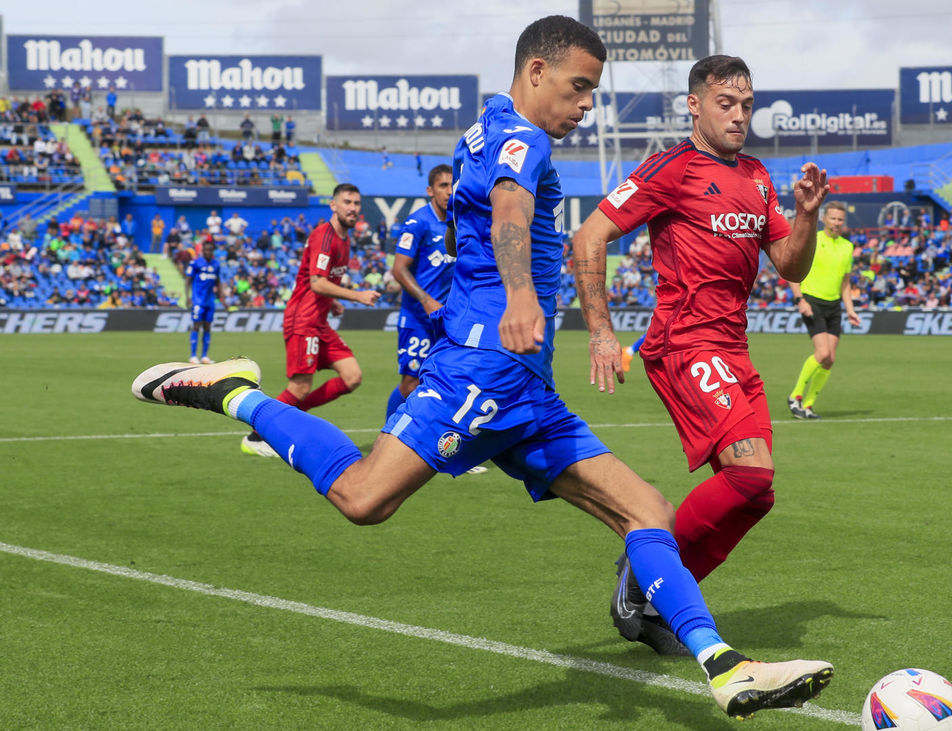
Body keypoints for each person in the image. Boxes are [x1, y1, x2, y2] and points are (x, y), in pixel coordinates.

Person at [131, 17, 831, 720]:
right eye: (578, 87)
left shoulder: (489, 124)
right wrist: (521, 294)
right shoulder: (525, 138)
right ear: (536, 72)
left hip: (526, 385)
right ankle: (234, 393)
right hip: (484, 371)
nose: (586, 105)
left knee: (647, 513)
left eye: (592, 90)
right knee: (364, 498)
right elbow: (509, 210)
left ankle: (725, 667)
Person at [570, 55, 830, 654]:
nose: (739, 116)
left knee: (757, 494)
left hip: (733, 348)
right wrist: (602, 331)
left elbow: (791, 266)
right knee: (750, 472)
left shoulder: (758, 177)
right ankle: (643, 570)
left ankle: (655, 588)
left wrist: (806, 216)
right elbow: (589, 236)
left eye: (747, 106)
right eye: (725, 104)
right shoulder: (671, 168)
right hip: (685, 343)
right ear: (694, 105)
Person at [240, 183, 383, 457]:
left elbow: (320, 280)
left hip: (319, 321)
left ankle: (292, 413)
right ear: (333, 205)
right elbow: (317, 282)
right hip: (303, 320)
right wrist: (357, 296)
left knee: (352, 376)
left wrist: (334, 301)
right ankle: (255, 437)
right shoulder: (325, 236)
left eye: (356, 203)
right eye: (347, 202)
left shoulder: (344, 239)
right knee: (300, 386)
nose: (353, 208)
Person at [386, 164, 455, 417]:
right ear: (430, 190)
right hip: (419, 318)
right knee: (411, 383)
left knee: (447, 381)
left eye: (452, 185)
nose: (449, 191)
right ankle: (388, 433)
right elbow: (398, 269)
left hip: (448, 318)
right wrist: (426, 301)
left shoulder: (460, 223)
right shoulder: (418, 223)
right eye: (442, 185)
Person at [786, 200, 861, 419]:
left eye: (840, 219)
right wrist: (800, 300)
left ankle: (808, 406)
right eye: (833, 218)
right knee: (823, 353)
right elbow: (792, 271)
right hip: (812, 301)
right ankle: (795, 396)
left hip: (834, 305)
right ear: (824, 219)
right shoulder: (813, 240)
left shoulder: (847, 247)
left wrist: (850, 310)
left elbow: (845, 283)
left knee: (830, 359)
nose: (836, 223)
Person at [185, 240, 225, 364]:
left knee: (207, 327)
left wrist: (222, 298)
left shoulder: (216, 265)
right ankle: (193, 356)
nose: (208, 252)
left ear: (212, 251)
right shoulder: (195, 263)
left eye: (210, 250)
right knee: (196, 326)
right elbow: (188, 280)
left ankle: (204, 356)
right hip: (198, 300)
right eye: (206, 250)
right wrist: (187, 297)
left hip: (210, 301)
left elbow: (218, 282)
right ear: (202, 251)